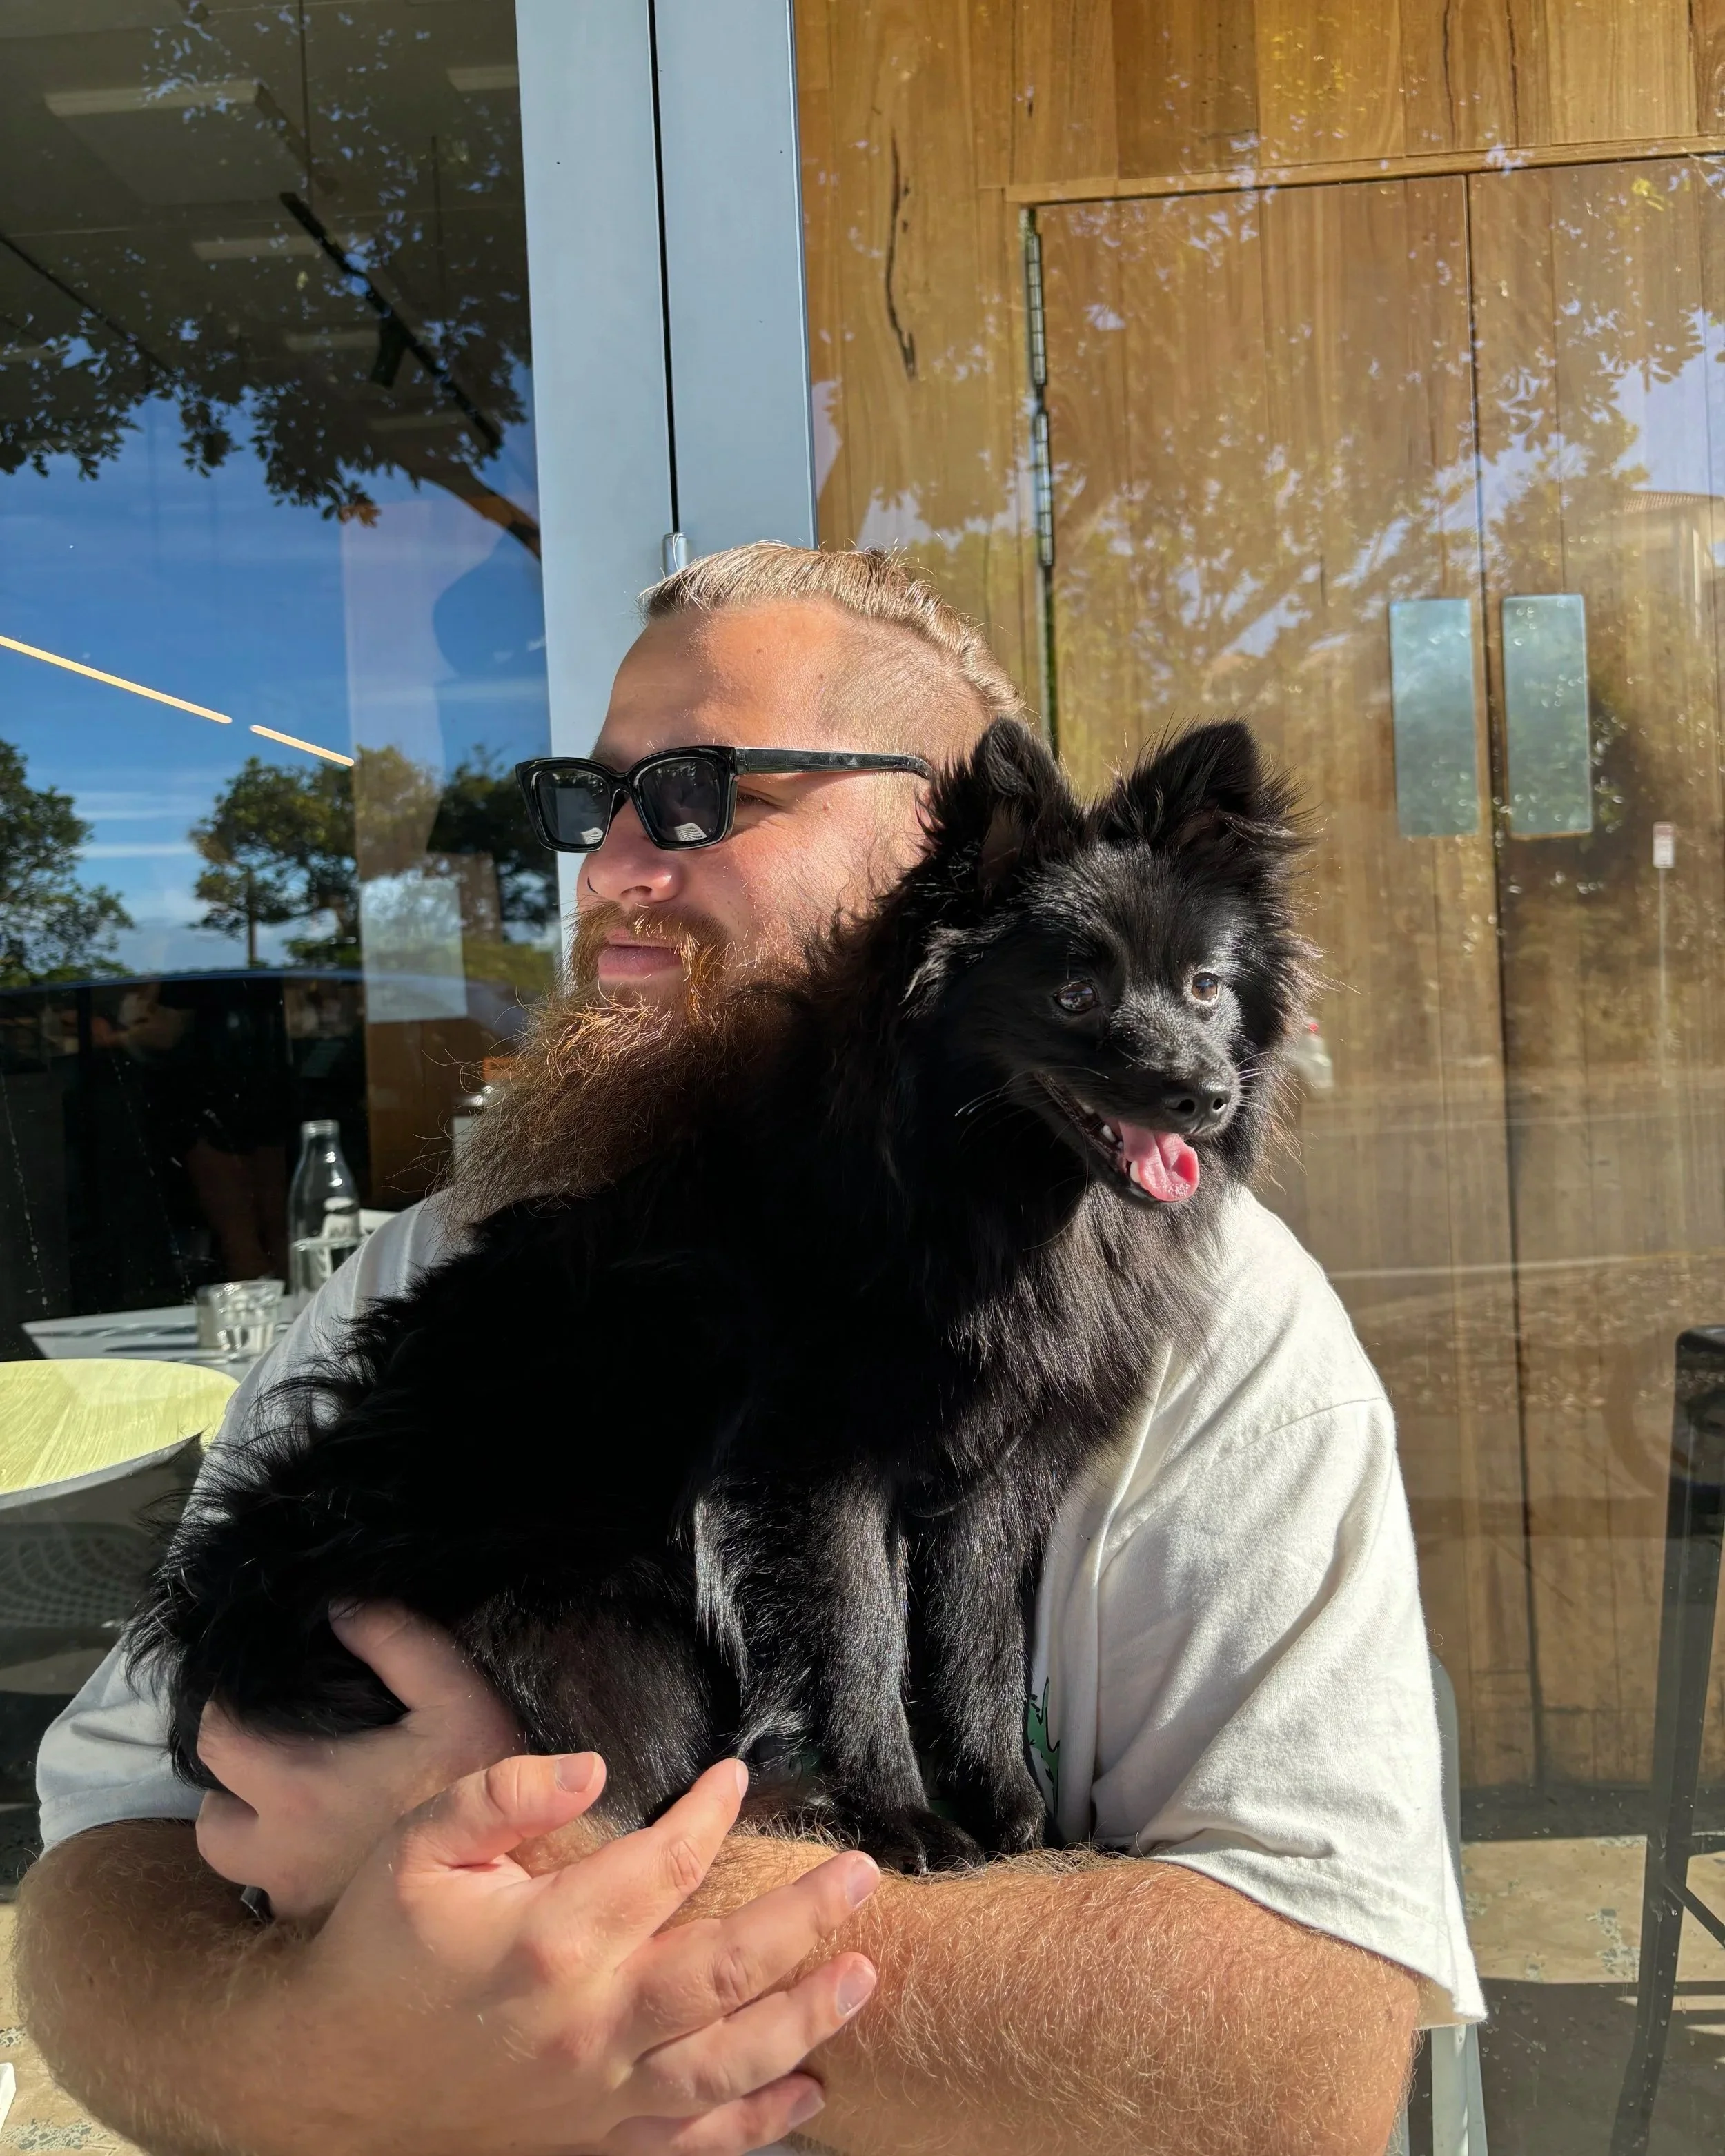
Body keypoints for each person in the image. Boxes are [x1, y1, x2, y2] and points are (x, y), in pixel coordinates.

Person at [21, 545, 1480, 2156]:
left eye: (700, 793)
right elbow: (105, 1865)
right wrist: (312, 2054)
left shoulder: (1224, 1336)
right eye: (590, 805)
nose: (611, 869)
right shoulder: (441, 1258)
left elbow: (1299, 2068)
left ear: (947, 843)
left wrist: (543, 1878)